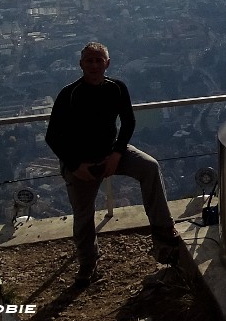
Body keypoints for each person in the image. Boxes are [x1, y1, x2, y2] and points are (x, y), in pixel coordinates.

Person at [45, 41, 183, 286]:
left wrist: (118, 153)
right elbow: (53, 136)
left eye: (99, 60)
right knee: (84, 215)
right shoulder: (70, 94)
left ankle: (163, 230)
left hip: (112, 153)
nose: (95, 65)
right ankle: (88, 264)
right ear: (81, 64)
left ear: (107, 63)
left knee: (149, 167)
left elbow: (128, 122)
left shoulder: (116, 88)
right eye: (90, 60)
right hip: (82, 162)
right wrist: (75, 165)